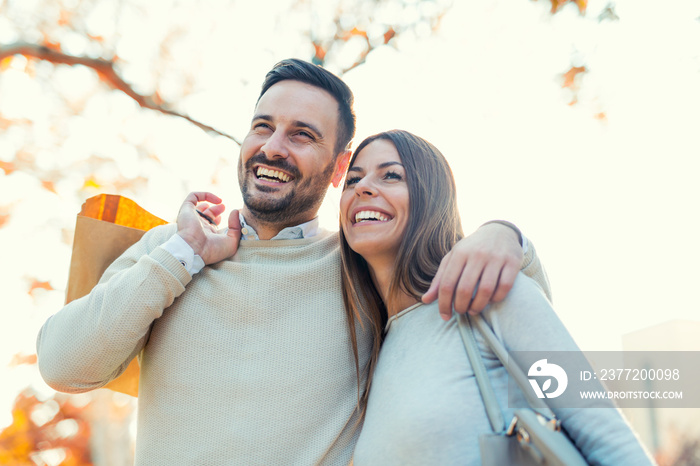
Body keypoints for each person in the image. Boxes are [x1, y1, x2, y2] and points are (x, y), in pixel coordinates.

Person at [37, 59, 545, 465]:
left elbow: (518, 336)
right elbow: (63, 366)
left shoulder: (360, 267)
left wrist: (509, 237)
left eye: (302, 134)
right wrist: (183, 256)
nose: (273, 148)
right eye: (263, 126)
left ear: (338, 168)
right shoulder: (172, 249)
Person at [339, 130, 653, 465]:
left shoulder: (487, 298)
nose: (363, 187)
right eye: (352, 180)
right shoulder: (370, 348)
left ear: (429, 196)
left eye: (391, 175)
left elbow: (612, 442)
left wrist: (506, 231)